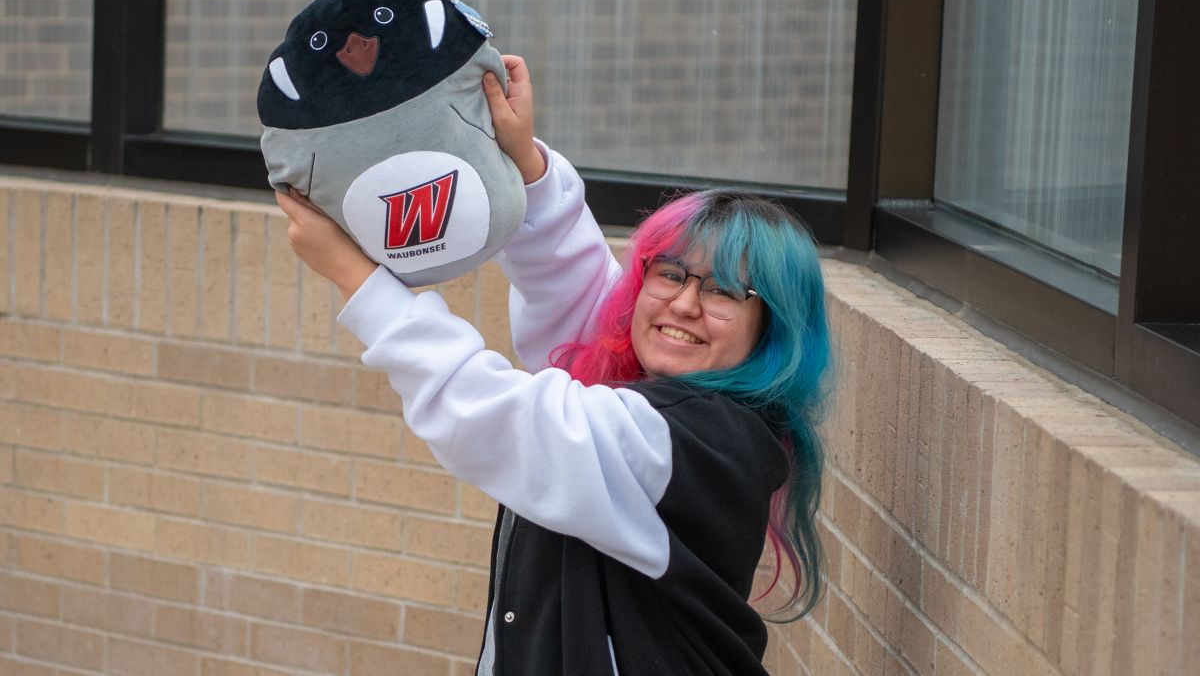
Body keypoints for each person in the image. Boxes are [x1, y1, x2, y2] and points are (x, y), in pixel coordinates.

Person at [275, 55, 832, 675]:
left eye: (725, 291)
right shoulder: (664, 403)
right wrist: (521, 164)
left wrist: (361, 281)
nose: (684, 303)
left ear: (772, 324)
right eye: (670, 272)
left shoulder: (702, 441)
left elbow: (502, 420)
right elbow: (579, 294)